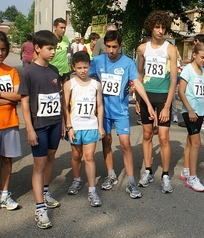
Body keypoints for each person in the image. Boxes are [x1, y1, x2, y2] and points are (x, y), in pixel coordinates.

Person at [89, 30, 155, 198]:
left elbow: (137, 82)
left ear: (120, 46)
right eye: (108, 47)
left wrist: (147, 103)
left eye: (115, 47)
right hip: (103, 111)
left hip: (120, 111)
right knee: (107, 141)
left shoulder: (127, 63)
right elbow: (84, 78)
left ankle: (131, 182)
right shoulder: (97, 61)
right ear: (104, 45)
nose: (111, 51)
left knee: (125, 143)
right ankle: (111, 175)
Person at [18, 30, 63, 229]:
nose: (53, 51)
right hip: (39, 126)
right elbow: (25, 104)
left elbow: (59, 99)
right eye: (49, 48)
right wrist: (29, 129)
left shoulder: (54, 71)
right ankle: (40, 208)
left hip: (55, 123)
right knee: (39, 164)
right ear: (37, 48)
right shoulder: (28, 72)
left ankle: (45, 191)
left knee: (51, 156)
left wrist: (62, 123)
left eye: (55, 48)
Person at [136, 11, 177, 194]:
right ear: (151, 27)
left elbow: (174, 80)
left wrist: (168, 105)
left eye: (163, 27)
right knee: (146, 135)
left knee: (163, 137)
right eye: (157, 27)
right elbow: (139, 75)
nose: (160, 31)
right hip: (146, 95)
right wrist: (138, 99)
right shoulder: (142, 49)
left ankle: (166, 175)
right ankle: (148, 170)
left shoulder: (171, 49)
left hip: (163, 97)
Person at [62, 51, 105, 206]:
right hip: (75, 126)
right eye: (79, 67)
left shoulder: (96, 85)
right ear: (74, 67)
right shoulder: (69, 84)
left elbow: (99, 106)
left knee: (89, 157)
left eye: (85, 67)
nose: (82, 70)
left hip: (91, 126)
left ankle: (92, 191)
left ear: (89, 66)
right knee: (76, 155)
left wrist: (100, 126)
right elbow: (65, 107)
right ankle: (77, 180)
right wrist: (68, 127)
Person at [0, 31, 22, 211]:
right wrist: (10, 98)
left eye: (3, 49)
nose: (0, 52)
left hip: (10, 122)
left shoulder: (11, 71)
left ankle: (4, 195)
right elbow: (14, 97)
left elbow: (19, 96)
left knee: (7, 160)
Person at [178, 43, 204, 192]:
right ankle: (192, 178)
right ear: (194, 54)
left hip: (200, 110)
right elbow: (181, 92)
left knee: (191, 141)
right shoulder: (188, 70)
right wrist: (189, 110)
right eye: (202, 57)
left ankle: (186, 170)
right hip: (190, 111)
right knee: (197, 143)